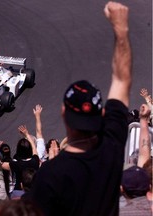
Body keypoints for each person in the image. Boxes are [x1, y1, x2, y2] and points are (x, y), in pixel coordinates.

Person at [27, 2, 132, 215]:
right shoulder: (112, 145)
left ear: (63, 114)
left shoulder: (50, 174)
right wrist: (121, 30)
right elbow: (122, 79)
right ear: (102, 114)